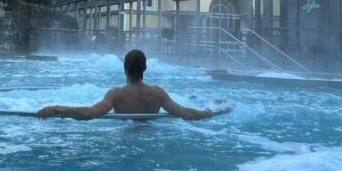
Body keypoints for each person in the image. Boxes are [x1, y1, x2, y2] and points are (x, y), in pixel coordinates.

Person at [36, 49, 214, 121]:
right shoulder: (158, 93)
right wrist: (207, 112)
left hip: (125, 140)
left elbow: (89, 113)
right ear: (145, 68)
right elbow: (186, 113)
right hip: (151, 140)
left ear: (124, 68)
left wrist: (57, 109)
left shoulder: (116, 94)